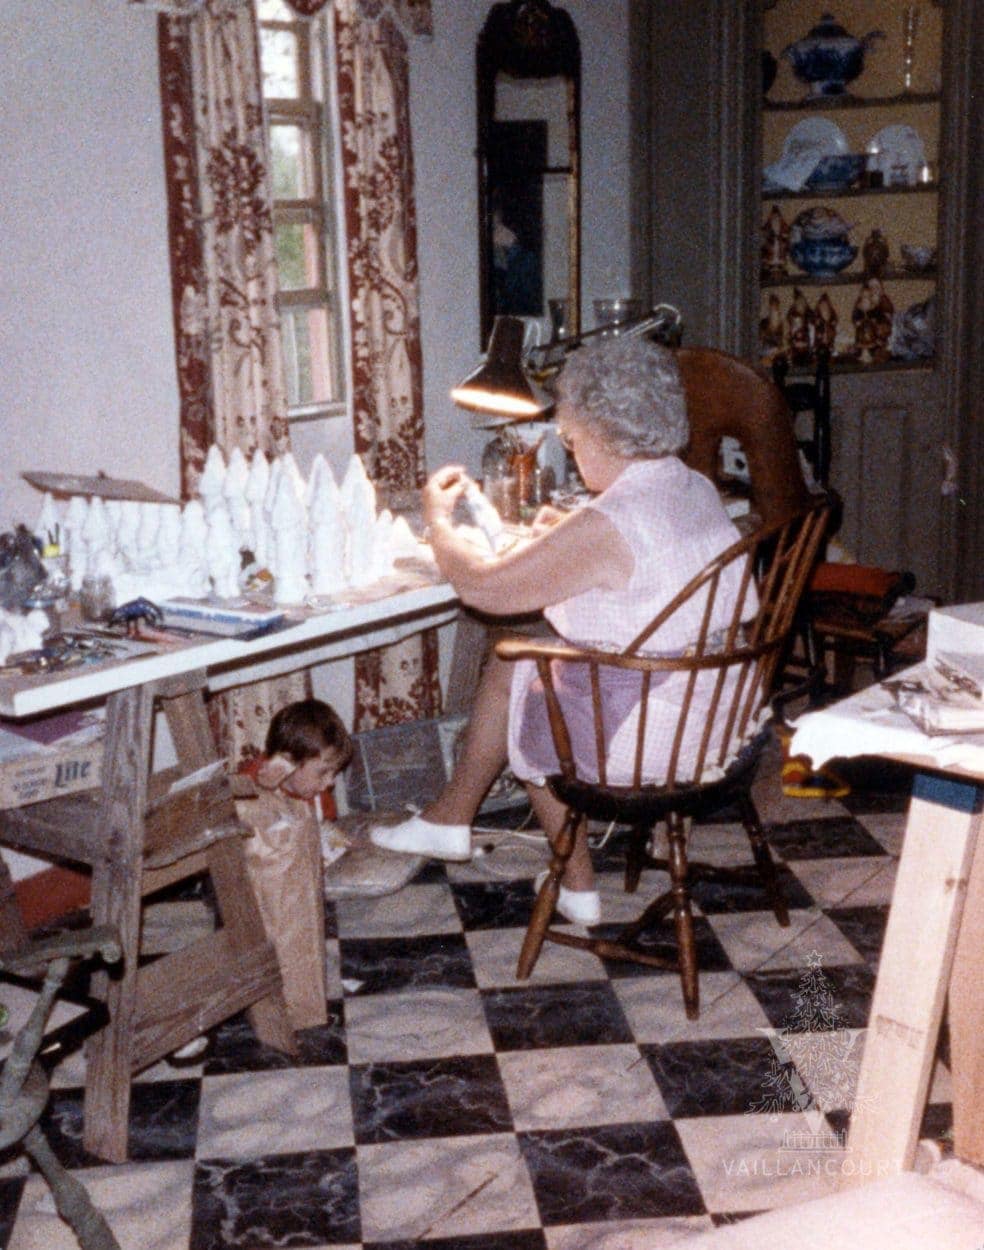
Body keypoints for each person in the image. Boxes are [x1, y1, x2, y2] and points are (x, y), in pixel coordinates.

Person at [370, 336, 748, 925]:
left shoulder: (613, 521)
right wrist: (568, 531)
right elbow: (641, 559)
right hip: (718, 712)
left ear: (601, 432)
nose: (572, 457)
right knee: (522, 656)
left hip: (654, 737)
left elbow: (484, 590)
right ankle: (452, 818)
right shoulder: (690, 485)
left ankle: (574, 879)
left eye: (571, 442)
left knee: (523, 661)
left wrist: (439, 523)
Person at [236, 699, 352, 1031]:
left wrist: (331, 839)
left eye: (333, 773)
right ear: (287, 763)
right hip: (249, 882)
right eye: (323, 772)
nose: (329, 782)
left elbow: (323, 822)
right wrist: (263, 778)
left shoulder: (315, 792)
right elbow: (247, 796)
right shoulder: (260, 776)